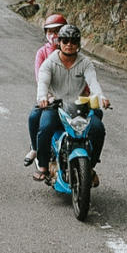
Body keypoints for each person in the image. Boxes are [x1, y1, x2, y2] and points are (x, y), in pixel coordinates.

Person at [34, 24, 110, 187]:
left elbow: (93, 82)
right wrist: (42, 98)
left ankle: (90, 166)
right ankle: (43, 165)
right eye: (65, 40)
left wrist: (101, 96)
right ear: (59, 42)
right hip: (56, 107)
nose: (69, 44)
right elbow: (43, 82)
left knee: (98, 129)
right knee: (45, 127)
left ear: (78, 43)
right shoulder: (49, 63)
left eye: (73, 41)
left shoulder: (85, 63)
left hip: (80, 108)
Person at [24, 14, 67, 167]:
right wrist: (47, 97)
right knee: (34, 118)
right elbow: (40, 78)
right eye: (50, 32)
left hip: (71, 99)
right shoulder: (42, 53)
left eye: (58, 31)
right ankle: (36, 148)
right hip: (50, 98)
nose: (54, 35)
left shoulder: (72, 50)